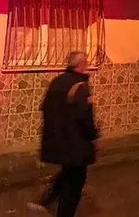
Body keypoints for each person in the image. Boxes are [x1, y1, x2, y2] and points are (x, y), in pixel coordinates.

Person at [28, 51, 99, 217]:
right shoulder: (80, 86)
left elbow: (45, 108)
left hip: (57, 140)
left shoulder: (56, 82)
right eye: (86, 63)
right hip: (75, 143)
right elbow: (85, 117)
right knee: (75, 181)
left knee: (68, 172)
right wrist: (94, 137)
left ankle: (45, 201)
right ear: (80, 65)